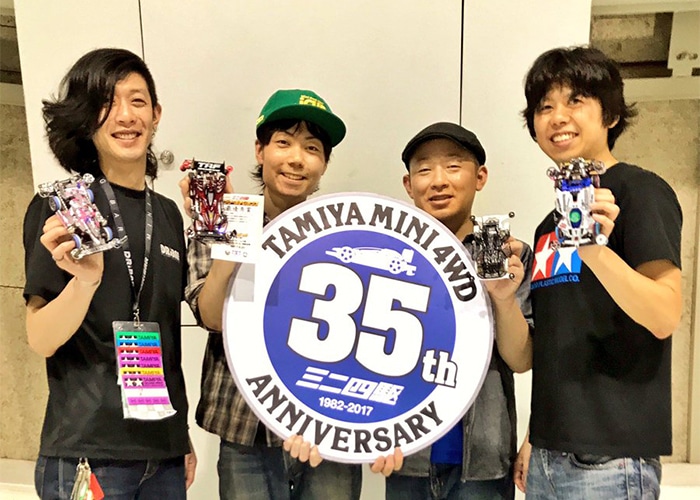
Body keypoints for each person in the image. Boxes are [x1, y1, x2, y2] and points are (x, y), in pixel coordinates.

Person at [24, 48, 195, 499]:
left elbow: (168, 335)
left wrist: (181, 436)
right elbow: (40, 337)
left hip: (163, 454)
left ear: (156, 115)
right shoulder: (63, 207)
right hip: (88, 450)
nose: (125, 115)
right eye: (107, 102)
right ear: (87, 118)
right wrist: (85, 282)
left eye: (137, 101)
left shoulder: (169, 214)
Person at [516, 46, 682, 499]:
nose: (557, 117)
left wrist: (593, 249)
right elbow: (553, 341)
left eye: (575, 101)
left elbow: (664, 314)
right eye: (544, 107)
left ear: (610, 114)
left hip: (610, 461)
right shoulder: (549, 226)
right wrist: (534, 437)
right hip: (548, 455)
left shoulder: (640, 191)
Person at [184, 88, 362, 499]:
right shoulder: (217, 220)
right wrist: (232, 236)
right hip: (244, 428)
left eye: (312, 148)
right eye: (283, 142)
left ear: (324, 163)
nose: (296, 159)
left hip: (326, 431)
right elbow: (211, 317)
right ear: (260, 150)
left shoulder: (346, 233)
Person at [377, 122, 534, 499]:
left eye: (453, 166)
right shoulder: (390, 255)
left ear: (480, 177)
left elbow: (521, 360)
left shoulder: (508, 255)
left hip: (482, 458)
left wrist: (503, 299)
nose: (438, 181)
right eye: (424, 169)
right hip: (404, 454)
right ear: (408, 184)